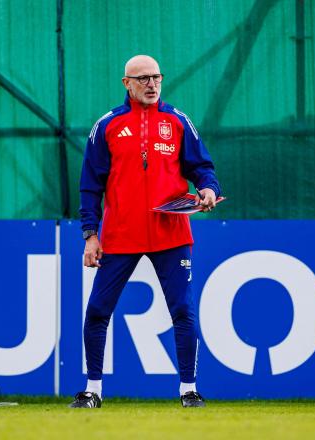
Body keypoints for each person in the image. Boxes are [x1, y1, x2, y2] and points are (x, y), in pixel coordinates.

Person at [70, 55, 220, 409]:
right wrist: (91, 234)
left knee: (183, 311)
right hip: (120, 235)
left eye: (156, 78)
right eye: (143, 79)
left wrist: (209, 189)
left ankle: (189, 391)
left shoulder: (178, 120)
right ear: (127, 83)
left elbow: (202, 167)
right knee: (97, 311)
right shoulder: (106, 125)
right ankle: (93, 390)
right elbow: (90, 185)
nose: (152, 85)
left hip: (171, 233)